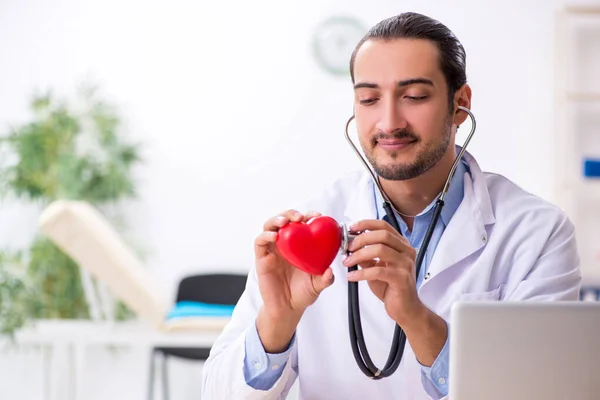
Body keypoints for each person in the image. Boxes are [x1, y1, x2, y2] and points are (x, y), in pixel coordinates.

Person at [200, 11, 581, 400]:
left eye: (414, 96)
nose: (388, 122)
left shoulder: (537, 232)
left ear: (460, 105)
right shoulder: (308, 226)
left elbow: (542, 392)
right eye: (369, 99)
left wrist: (415, 318)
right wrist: (276, 323)